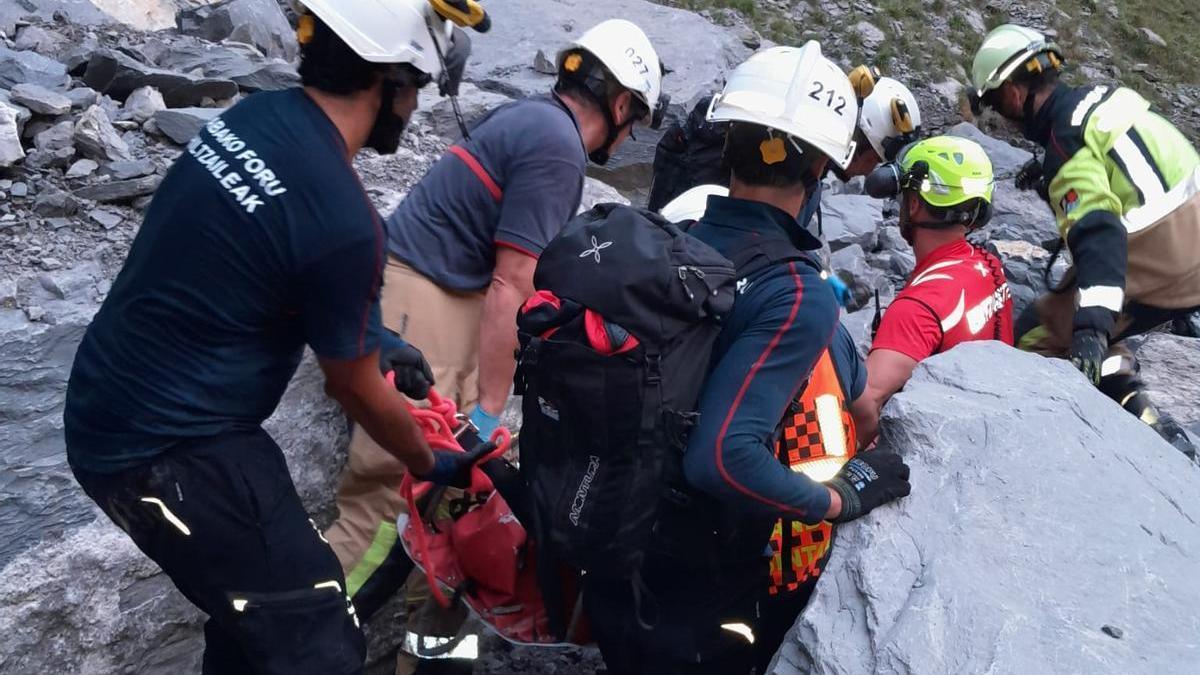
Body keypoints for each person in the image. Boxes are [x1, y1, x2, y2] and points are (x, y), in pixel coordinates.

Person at [60, 2, 484, 672]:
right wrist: (433, 462)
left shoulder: (253, 120)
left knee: (259, 620)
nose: (414, 107)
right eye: (418, 88)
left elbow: (257, 254)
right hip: (167, 453)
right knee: (316, 642)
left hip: (107, 405)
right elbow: (352, 386)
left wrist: (379, 341)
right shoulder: (346, 218)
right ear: (391, 79)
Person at [322, 18, 667, 672]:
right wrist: (487, 409)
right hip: (427, 296)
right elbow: (511, 282)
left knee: (446, 517)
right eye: (636, 120)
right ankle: (299, 642)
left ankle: (416, 660)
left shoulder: (531, 120)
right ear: (622, 105)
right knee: (390, 496)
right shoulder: (558, 145)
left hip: (427, 290)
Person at [583, 43, 912, 675]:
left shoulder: (674, 237)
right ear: (821, 164)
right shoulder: (797, 295)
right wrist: (841, 498)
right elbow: (721, 458)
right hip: (698, 579)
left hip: (618, 540)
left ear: (727, 140)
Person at [970, 24, 1200, 457]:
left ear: (1014, 94)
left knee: (1043, 331)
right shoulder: (1096, 102)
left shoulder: (1064, 144)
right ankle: (1141, 414)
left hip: (1168, 249)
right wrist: (1048, 179)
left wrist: (1091, 325)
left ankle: (1091, 441)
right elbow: (1126, 174)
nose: (1002, 115)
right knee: (1097, 322)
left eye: (995, 103)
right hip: (1192, 228)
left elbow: (1098, 230)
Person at [649, 70, 922, 306]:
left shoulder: (808, 171)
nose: (869, 170)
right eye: (872, 158)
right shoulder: (778, 168)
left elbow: (791, 236)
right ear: (854, 139)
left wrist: (821, 276)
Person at [854, 136, 1013, 446]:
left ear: (913, 204)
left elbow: (867, 400)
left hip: (945, 452)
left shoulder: (917, 307)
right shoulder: (988, 265)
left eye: (906, 198)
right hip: (995, 428)